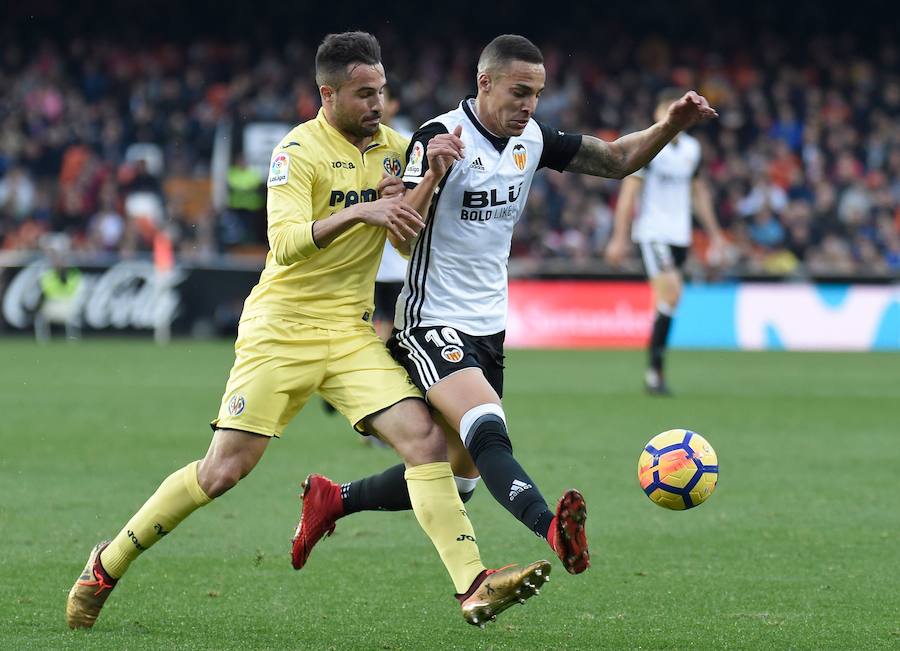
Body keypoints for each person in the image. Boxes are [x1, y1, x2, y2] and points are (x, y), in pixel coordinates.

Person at [66, 32, 549, 631]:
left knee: (424, 443)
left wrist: (435, 170)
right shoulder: (297, 153)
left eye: (383, 92)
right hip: (281, 331)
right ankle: (106, 565)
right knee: (224, 471)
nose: (378, 104)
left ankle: (473, 585)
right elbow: (285, 243)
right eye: (364, 94)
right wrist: (360, 210)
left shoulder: (399, 149)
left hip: (349, 336)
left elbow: (417, 206)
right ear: (329, 94)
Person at [292, 35, 717, 577]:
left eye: (537, 94)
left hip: (490, 328)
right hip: (431, 321)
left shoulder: (532, 139)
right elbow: (401, 239)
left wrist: (670, 126)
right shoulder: (437, 138)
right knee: (488, 427)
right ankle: (552, 530)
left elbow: (614, 160)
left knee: (460, 479)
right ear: (485, 83)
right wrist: (435, 174)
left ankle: (334, 499)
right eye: (520, 92)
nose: (529, 106)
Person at [605, 88, 726, 395]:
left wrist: (715, 235)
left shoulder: (691, 150)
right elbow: (629, 194)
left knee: (668, 302)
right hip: (653, 233)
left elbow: (698, 193)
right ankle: (654, 373)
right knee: (672, 294)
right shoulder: (648, 146)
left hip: (680, 235)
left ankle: (655, 370)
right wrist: (619, 238)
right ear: (659, 115)